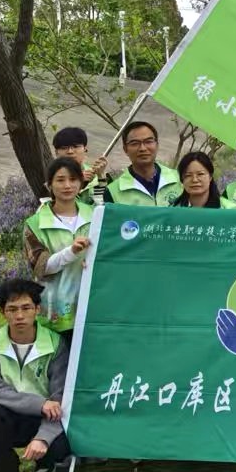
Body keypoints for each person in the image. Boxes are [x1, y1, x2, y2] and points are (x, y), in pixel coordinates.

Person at [0, 278, 71, 472]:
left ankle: (46, 460)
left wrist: (43, 438)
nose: (19, 316)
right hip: (13, 415)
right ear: (2, 312)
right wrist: (40, 404)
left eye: (26, 308)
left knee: (61, 445)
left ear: (38, 309)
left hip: (48, 417)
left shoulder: (56, 344)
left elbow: (60, 397)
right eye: (12, 309)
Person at [23, 157, 95, 336]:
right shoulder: (35, 224)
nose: (67, 185)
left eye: (73, 179)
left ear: (81, 182)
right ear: (49, 185)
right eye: (60, 180)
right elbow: (41, 268)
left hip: (92, 306)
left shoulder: (95, 215)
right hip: (55, 310)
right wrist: (71, 252)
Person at [105, 121, 182, 206]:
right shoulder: (113, 191)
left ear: (157, 145)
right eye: (135, 143)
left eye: (148, 141)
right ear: (125, 149)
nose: (143, 148)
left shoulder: (180, 180)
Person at [52, 125, 110, 190]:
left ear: (85, 149)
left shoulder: (93, 174)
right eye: (64, 148)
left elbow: (103, 196)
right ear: (56, 152)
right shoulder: (51, 176)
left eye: (76, 147)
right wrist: (78, 181)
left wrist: (101, 176)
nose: (70, 151)